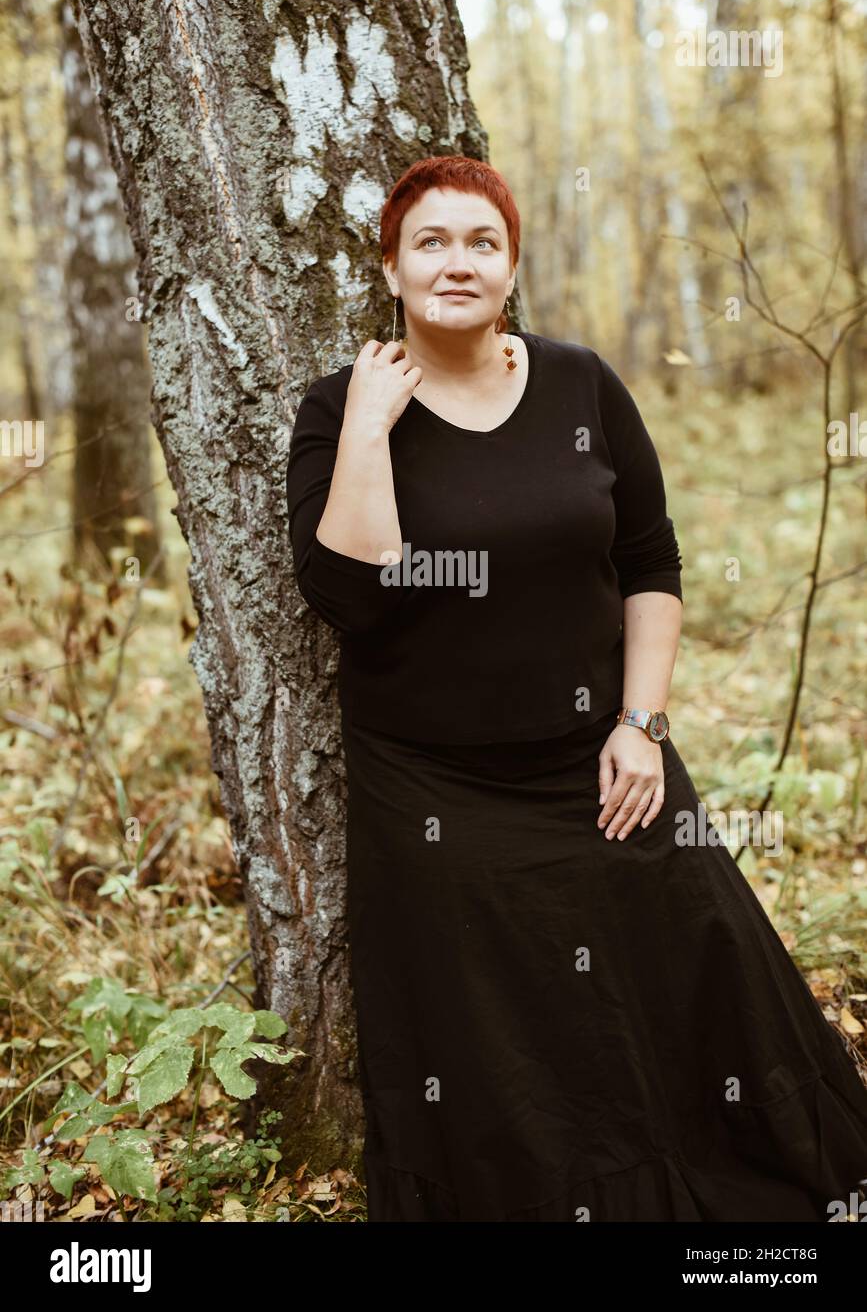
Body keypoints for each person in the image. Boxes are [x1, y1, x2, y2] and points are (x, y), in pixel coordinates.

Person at [285, 154, 867, 1222]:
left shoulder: (581, 383)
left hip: (602, 755)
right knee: (504, 1041)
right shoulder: (337, 409)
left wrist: (643, 725)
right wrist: (371, 424)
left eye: (481, 243)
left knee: (704, 957)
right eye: (431, 242)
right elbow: (354, 599)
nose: (456, 262)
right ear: (390, 266)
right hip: (434, 791)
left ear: (511, 265)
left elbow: (651, 560)